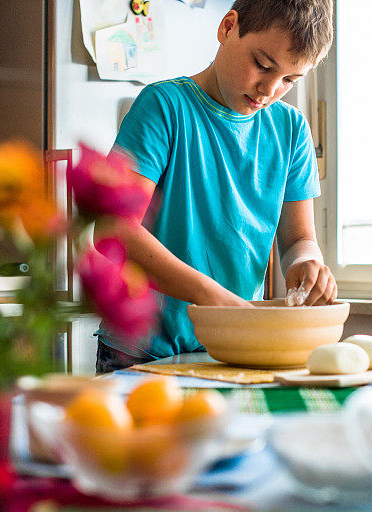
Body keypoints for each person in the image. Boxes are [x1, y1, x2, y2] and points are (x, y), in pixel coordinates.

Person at [95, 0, 336, 372]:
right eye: (263, 65)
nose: (269, 90)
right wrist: (213, 298)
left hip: (230, 348)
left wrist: (306, 263)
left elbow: (297, 240)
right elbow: (112, 229)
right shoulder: (164, 107)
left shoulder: (292, 131)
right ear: (227, 27)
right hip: (142, 351)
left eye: (289, 80)